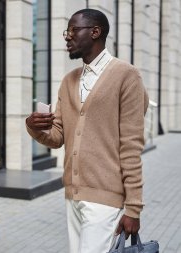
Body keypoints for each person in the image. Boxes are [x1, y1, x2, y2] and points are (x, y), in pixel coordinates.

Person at [26, 9, 149, 253]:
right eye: (66, 31)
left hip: (105, 197)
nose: (67, 37)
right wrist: (34, 127)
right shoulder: (69, 80)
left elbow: (131, 146)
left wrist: (133, 208)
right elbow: (58, 137)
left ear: (95, 32)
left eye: (73, 30)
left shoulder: (127, 76)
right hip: (73, 196)